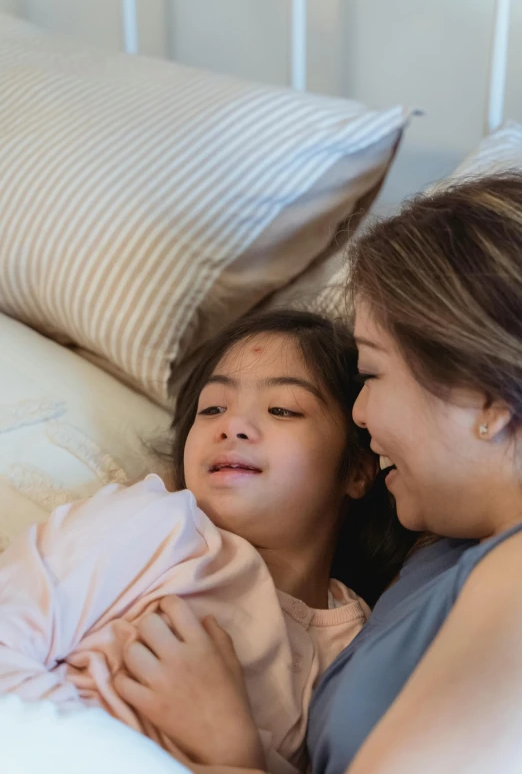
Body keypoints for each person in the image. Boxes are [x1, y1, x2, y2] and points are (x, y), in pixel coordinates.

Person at [120, 172, 522, 774]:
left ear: (488, 398)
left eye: (373, 375)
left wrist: (230, 749)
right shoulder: (446, 552)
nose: (361, 414)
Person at [0, 309, 402, 774]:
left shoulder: (357, 645)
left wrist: (235, 757)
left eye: (282, 409)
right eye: (212, 408)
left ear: (358, 468)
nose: (232, 426)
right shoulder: (152, 526)